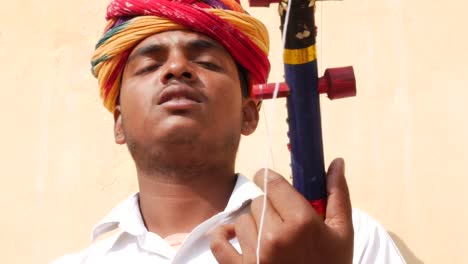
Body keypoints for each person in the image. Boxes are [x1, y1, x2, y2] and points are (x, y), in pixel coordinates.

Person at [53, 0, 405, 263]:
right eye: (150, 65)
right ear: (118, 122)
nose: (177, 68)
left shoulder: (339, 239)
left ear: (249, 113)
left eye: (205, 62)